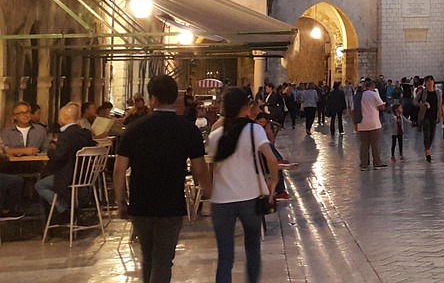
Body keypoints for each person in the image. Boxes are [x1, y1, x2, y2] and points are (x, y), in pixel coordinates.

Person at [115, 75, 211, 283]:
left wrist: (120, 201)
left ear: (152, 99)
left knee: (147, 256)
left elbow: (119, 169)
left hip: (141, 203)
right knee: (163, 259)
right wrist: (208, 192)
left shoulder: (134, 128)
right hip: (171, 203)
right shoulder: (187, 129)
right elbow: (199, 168)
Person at [207, 88, 278, 283]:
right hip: (249, 197)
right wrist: (273, 184)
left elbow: (211, 168)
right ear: (245, 108)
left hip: (221, 200)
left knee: (225, 255)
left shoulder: (215, 136)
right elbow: (271, 159)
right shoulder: (254, 130)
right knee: (253, 248)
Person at [35, 104, 95, 219]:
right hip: (84, 176)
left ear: (65, 117)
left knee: (40, 185)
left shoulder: (66, 135)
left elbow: (58, 156)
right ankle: (76, 206)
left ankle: (64, 209)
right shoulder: (84, 133)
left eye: (60, 116)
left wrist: (50, 150)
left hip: (68, 176)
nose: (58, 119)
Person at [353, 79, 387, 171]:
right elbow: (381, 106)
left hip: (361, 123)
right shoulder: (373, 94)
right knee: (375, 144)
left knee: (364, 145)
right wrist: (384, 104)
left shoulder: (358, 96)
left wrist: (355, 123)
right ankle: (377, 163)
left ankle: (364, 165)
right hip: (374, 123)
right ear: (373, 87)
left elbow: (353, 110)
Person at [416, 76, 441, 161]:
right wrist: (421, 105)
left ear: (434, 82)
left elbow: (440, 105)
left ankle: (427, 148)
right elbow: (414, 101)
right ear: (425, 83)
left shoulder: (438, 92)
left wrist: (440, 116)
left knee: (432, 135)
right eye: (427, 81)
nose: (429, 83)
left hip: (434, 116)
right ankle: (427, 152)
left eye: (431, 81)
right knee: (427, 134)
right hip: (425, 116)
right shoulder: (423, 92)